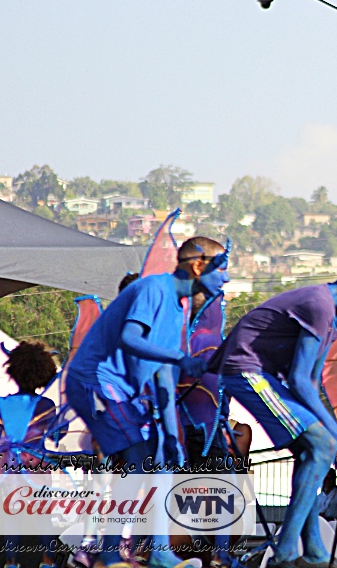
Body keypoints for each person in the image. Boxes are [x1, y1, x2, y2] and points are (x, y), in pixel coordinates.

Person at [211, 244, 337, 568]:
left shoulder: (336, 317)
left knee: (313, 451)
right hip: (247, 370)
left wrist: (334, 427)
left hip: (270, 377)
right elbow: (298, 380)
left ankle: (315, 551)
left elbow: (313, 380)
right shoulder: (320, 305)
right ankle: (284, 553)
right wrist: (334, 432)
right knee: (323, 443)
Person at [65, 236, 227, 568]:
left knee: (161, 456)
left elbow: (163, 374)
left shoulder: (177, 308)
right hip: (95, 382)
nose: (225, 279)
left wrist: (172, 434)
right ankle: (117, 554)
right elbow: (130, 338)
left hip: (121, 392)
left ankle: (156, 550)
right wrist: (182, 357)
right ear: (198, 266)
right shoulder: (154, 288)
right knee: (140, 457)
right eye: (222, 269)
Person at [0, 340, 60, 568]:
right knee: (43, 515)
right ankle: (47, 561)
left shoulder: (2, 404)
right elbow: (57, 434)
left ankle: (11, 562)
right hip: (38, 464)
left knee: (11, 515)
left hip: (9, 465)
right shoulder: (46, 405)